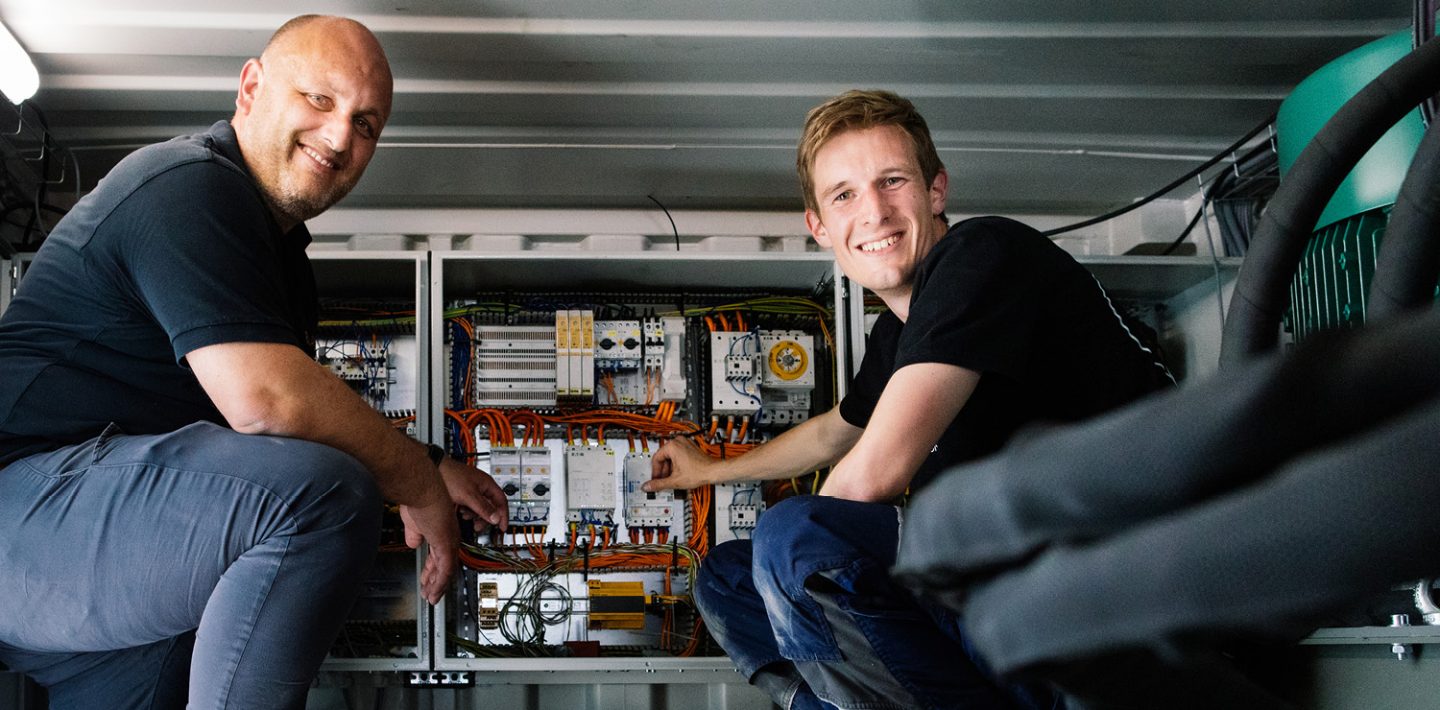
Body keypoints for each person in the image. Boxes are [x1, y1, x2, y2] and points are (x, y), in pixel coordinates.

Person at [0, 15, 507, 710]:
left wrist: (427, 459)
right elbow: (268, 404)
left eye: (366, 125)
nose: (339, 137)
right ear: (250, 87)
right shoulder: (184, 186)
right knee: (320, 498)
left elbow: (277, 432)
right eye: (320, 100)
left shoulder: (283, 271)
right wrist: (415, 479)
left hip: (101, 568)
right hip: (26, 510)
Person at [645, 89, 1174, 709]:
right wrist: (712, 471)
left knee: (793, 538)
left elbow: (872, 475)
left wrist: (796, 557)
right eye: (844, 195)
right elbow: (834, 432)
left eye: (891, 181)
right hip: (992, 596)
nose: (873, 212)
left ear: (935, 191)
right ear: (819, 226)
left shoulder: (983, 256)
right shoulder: (896, 334)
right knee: (726, 576)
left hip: (1091, 598)